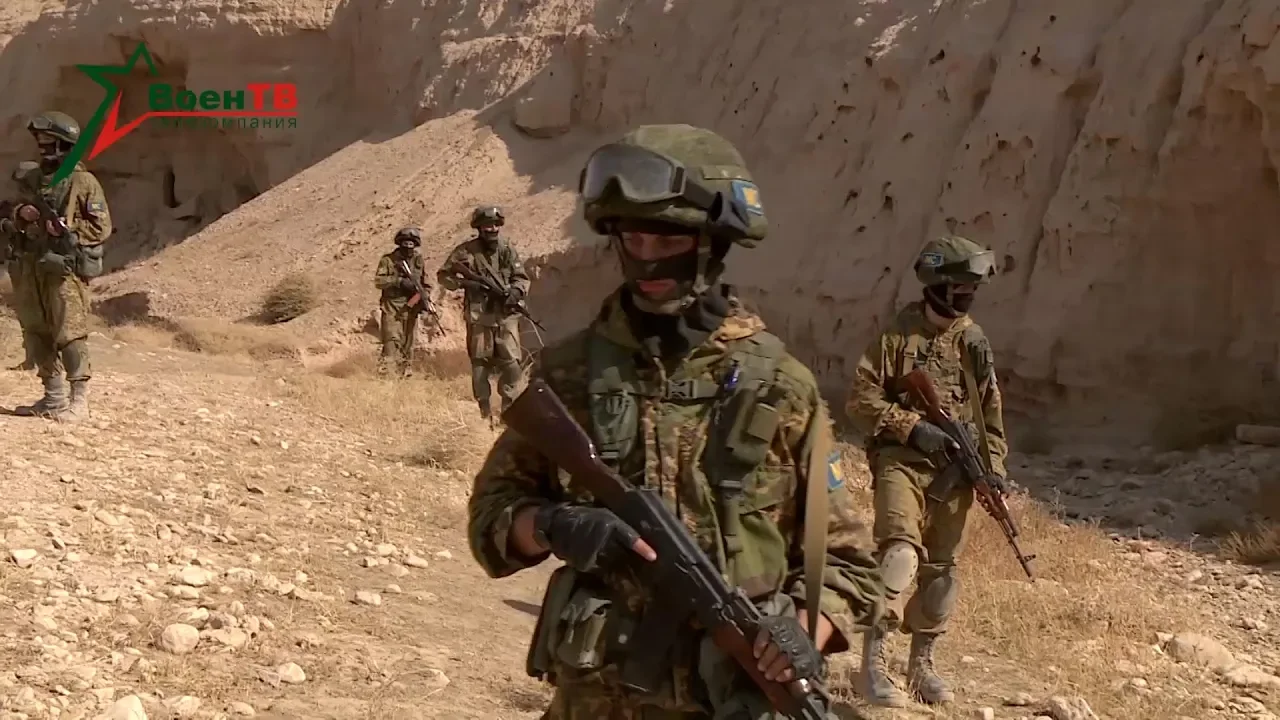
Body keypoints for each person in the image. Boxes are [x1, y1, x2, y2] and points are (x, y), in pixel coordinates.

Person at [467, 124, 884, 719]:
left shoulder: (780, 385)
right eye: (632, 237)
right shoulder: (570, 374)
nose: (647, 257)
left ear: (715, 242)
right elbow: (491, 523)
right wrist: (551, 525)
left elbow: (847, 560)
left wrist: (804, 630)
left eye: (668, 238)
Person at [844, 235, 1009, 707]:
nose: (968, 297)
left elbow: (990, 415)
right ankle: (873, 663)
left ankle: (921, 664)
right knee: (900, 553)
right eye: (961, 289)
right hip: (901, 461)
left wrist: (993, 470)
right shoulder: (897, 337)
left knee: (941, 571)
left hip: (955, 470)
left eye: (972, 290)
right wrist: (913, 427)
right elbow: (860, 399)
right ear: (938, 285)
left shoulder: (973, 343)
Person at [7, 111, 112, 421]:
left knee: (70, 332)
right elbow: (13, 214)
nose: (42, 146)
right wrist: (22, 214)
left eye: (48, 141)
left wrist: (69, 229)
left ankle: (79, 400)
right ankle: (53, 397)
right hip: (32, 265)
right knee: (36, 330)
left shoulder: (83, 181)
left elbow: (101, 226)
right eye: (40, 140)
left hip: (63, 269)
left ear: (64, 145)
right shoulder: (33, 179)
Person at [436, 206, 530, 423]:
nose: (493, 229)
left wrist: (515, 292)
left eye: (496, 224)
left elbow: (521, 277)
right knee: (480, 364)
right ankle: (484, 413)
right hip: (479, 316)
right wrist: (465, 284)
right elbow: (444, 276)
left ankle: (509, 411)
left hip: (505, 316)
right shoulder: (465, 252)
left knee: (512, 363)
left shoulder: (507, 249)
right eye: (488, 225)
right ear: (478, 227)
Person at [373, 227, 434, 378]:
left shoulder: (418, 260)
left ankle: (405, 375)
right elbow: (379, 281)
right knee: (392, 341)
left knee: (409, 343)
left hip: (411, 307)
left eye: (411, 243)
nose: (408, 246)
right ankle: (387, 376)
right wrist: (399, 281)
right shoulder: (388, 260)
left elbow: (425, 283)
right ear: (399, 243)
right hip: (393, 306)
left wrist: (424, 297)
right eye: (405, 243)